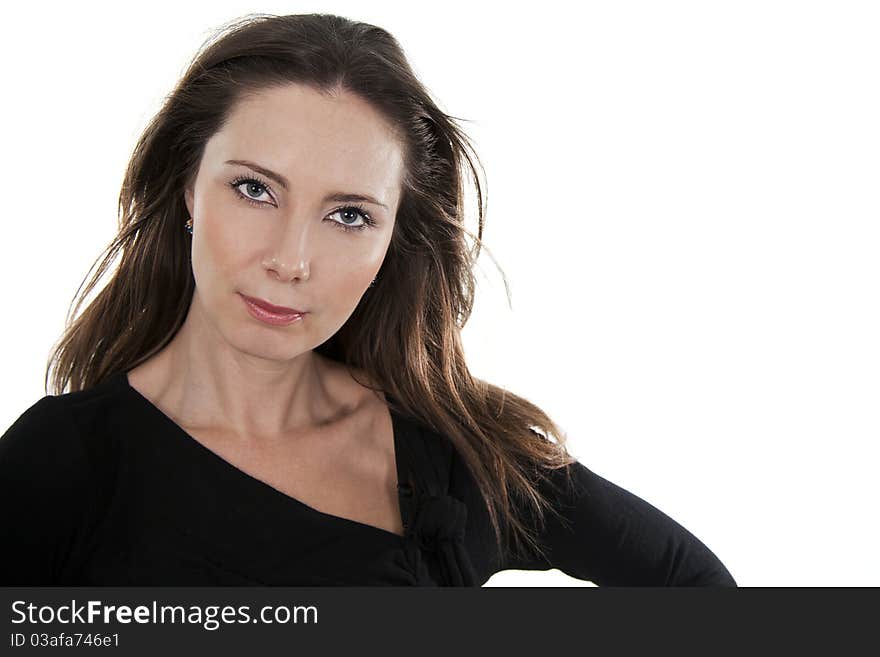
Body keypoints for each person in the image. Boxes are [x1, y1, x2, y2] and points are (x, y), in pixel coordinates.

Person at [0, 12, 736, 586]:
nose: (290, 260)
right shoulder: (63, 468)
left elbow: (692, 584)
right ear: (188, 185)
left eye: (349, 214)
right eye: (254, 189)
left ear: (392, 242)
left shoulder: (456, 457)